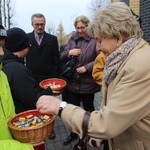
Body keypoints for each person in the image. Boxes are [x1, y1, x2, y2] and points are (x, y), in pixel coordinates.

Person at [36, 2, 150, 150]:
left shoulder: (138, 66)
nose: (98, 46)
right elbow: (112, 105)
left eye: (100, 40)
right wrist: (100, 133)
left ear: (118, 37)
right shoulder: (122, 57)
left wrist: (60, 106)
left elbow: (107, 124)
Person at [60, 15, 100, 145]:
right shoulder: (72, 39)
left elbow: (101, 59)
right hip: (73, 84)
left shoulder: (95, 40)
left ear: (87, 26)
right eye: (77, 27)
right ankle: (74, 134)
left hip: (88, 84)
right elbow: (62, 57)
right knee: (72, 111)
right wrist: (69, 52)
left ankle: (91, 134)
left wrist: (87, 67)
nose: (80, 30)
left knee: (89, 110)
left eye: (82, 27)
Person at [2, 27, 52, 114]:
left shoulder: (5, 63)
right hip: (22, 116)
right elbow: (33, 101)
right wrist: (49, 91)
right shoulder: (18, 70)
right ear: (22, 46)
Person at [0, 25, 33, 150]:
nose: (2, 53)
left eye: (2, 46)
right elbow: (29, 98)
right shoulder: (17, 69)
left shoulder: (2, 74)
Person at [26, 13, 60, 91]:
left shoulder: (52, 39)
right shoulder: (26, 38)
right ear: (32, 24)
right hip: (31, 80)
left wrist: (54, 79)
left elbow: (56, 61)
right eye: (37, 24)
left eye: (42, 24)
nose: (40, 27)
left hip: (48, 81)